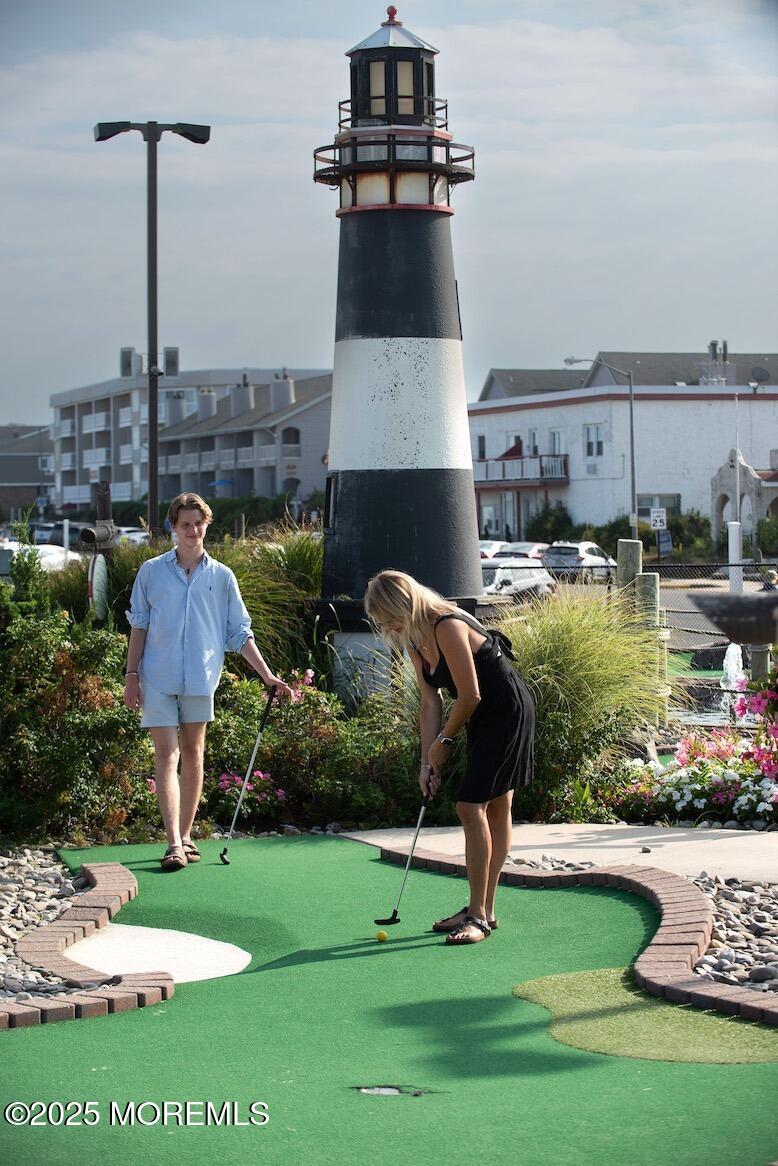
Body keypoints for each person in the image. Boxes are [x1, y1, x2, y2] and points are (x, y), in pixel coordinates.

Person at [364, 569, 535, 945]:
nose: (385, 627)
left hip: (506, 711)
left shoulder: (447, 625)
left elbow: (470, 694)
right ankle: (484, 909)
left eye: (387, 617)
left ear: (402, 606)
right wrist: (427, 761)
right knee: (492, 807)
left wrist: (444, 741)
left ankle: (477, 917)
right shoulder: (412, 637)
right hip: (481, 715)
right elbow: (430, 701)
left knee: (470, 806)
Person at [124, 493, 294, 871]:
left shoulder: (222, 576)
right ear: (174, 527)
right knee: (166, 755)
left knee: (194, 752)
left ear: (206, 525)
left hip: (201, 679)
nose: (193, 530)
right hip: (157, 677)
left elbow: (240, 633)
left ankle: (186, 835)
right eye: (185, 524)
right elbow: (139, 625)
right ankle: (172, 844)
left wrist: (267, 675)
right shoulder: (151, 572)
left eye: (198, 523)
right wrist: (131, 677)